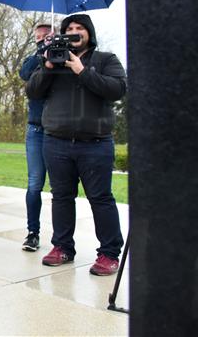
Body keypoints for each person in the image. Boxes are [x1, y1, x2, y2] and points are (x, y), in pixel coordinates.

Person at [26, 14, 126, 276]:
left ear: (89, 33)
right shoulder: (54, 59)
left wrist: (83, 71)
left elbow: (117, 89)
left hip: (95, 143)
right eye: (68, 28)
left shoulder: (105, 59)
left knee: (100, 198)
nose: (73, 32)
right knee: (60, 197)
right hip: (56, 142)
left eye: (79, 28)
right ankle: (62, 247)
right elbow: (33, 91)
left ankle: (108, 253)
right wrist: (47, 64)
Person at [18, 21, 52, 251]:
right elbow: (24, 74)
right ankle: (33, 232)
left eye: (46, 35)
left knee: (61, 189)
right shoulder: (36, 59)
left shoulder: (63, 56)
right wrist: (42, 51)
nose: (42, 38)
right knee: (34, 184)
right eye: (38, 36)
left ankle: (62, 241)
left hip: (58, 128)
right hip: (36, 129)